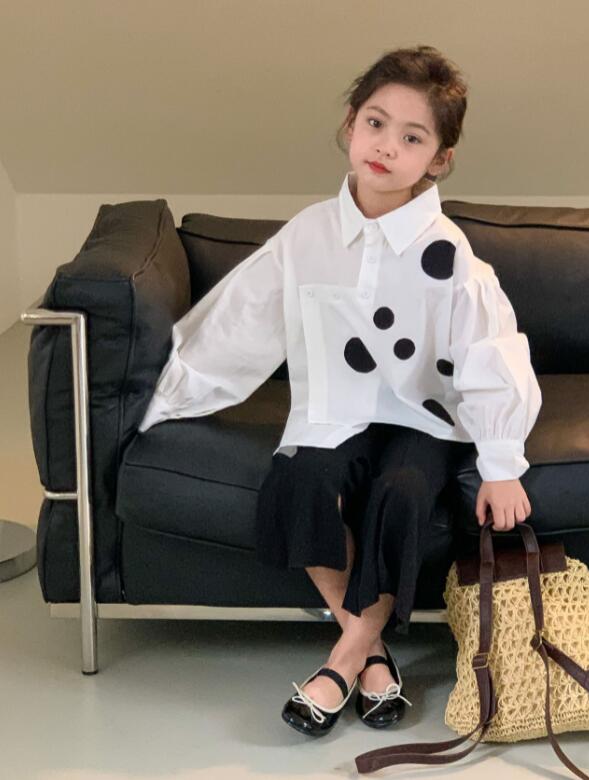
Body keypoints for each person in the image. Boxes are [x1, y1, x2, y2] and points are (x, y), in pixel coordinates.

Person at [138, 44, 542, 738]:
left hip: (424, 417)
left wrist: (501, 461)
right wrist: (173, 394)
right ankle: (369, 651)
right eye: (376, 124)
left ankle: (342, 660)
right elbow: (243, 318)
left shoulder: (449, 253)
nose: (386, 147)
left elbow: (489, 351)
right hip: (334, 408)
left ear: (439, 159)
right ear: (350, 124)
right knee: (298, 480)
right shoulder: (309, 235)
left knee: (403, 494)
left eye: (412, 138)